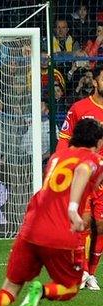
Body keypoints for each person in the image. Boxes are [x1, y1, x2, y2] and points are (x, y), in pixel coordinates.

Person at [0, 118, 103, 306]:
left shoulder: (56, 158)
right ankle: (42, 290)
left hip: (30, 228)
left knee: (9, 288)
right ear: (98, 142)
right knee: (70, 287)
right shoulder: (92, 159)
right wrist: (73, 209)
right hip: (60, 232)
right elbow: (83, 170)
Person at [55, 66, 103, 290]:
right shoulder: (80, 108)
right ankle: (81, 271)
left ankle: (90, 273)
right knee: (82, 223)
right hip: (83, 175)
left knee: (101, 226)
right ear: (95, 82)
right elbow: (64, 140)